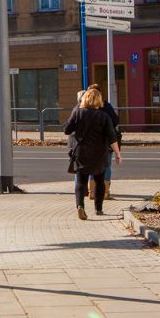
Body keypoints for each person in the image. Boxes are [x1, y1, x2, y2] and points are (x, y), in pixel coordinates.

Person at [64, 87, 122, 219]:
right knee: (99, 181)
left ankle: (80, 206)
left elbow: (67, 130)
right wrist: (118, 154)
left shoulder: (77, 113)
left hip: (81, 153)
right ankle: (98, 209)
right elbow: (112, 137)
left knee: (81, 181)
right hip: (99, 153)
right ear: (98, 100)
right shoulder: (103, 116)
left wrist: (71, 122)